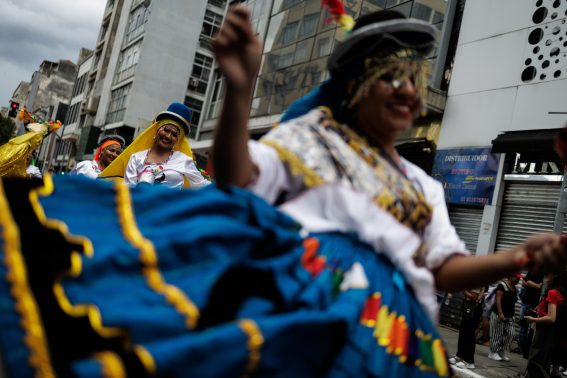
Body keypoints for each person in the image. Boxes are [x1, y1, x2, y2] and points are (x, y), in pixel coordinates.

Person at [0, 6, 566, 378]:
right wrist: (239, 91)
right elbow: (238, 180)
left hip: (400, 341)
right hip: (310, 310)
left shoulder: (422, 184)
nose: (407, 92)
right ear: (354, 87)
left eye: (415, 83)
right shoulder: (316, 138)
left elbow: (442, 267)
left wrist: (515, 255)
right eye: (392, 77)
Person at [99, 102, 209, 189]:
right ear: (156, 131)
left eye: (174, 134)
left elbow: (201, 185)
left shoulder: (184, 160)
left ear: (177, 140)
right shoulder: (137, 158)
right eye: (166, 130)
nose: (168, 136)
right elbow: (129, 190)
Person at [525, 270, 567, 377]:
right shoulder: (561, 291)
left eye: (547, 274)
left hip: (545, 331)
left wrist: (533, 319)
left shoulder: (553, 292)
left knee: (536, 359)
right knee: (543, 361)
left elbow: (551, 318)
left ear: (554, 276)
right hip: (552, 332)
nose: (544, 277)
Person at [449, 288, 485, 369]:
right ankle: (459, 356)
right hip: (468, 306)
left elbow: (474, 297)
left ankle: (469, 361)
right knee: (463, 333)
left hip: (473, 308)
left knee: (469, 335)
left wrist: (463, 289)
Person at [488, 274, 520, 362]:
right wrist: (500, 313)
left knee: (510, 334)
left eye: (519, 278)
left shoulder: (515, 289)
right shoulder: (502, 285)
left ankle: (501, 352)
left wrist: (513, 315)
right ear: (510, 277)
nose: (518, 279)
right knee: (496, 334)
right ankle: (493, 352)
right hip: (499, 314)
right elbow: (498, 299)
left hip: (510, 315)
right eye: (516, 277)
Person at [519, 270, 544, 358]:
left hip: (535, 305)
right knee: (523, 325)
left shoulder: (543, 273)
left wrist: (529, 282)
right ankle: (521, 348)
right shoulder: (531, 272)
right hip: (525, 302)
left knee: (532, 328)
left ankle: (527, 348)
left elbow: (539, 286)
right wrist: (530, 283)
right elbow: (523, 283)